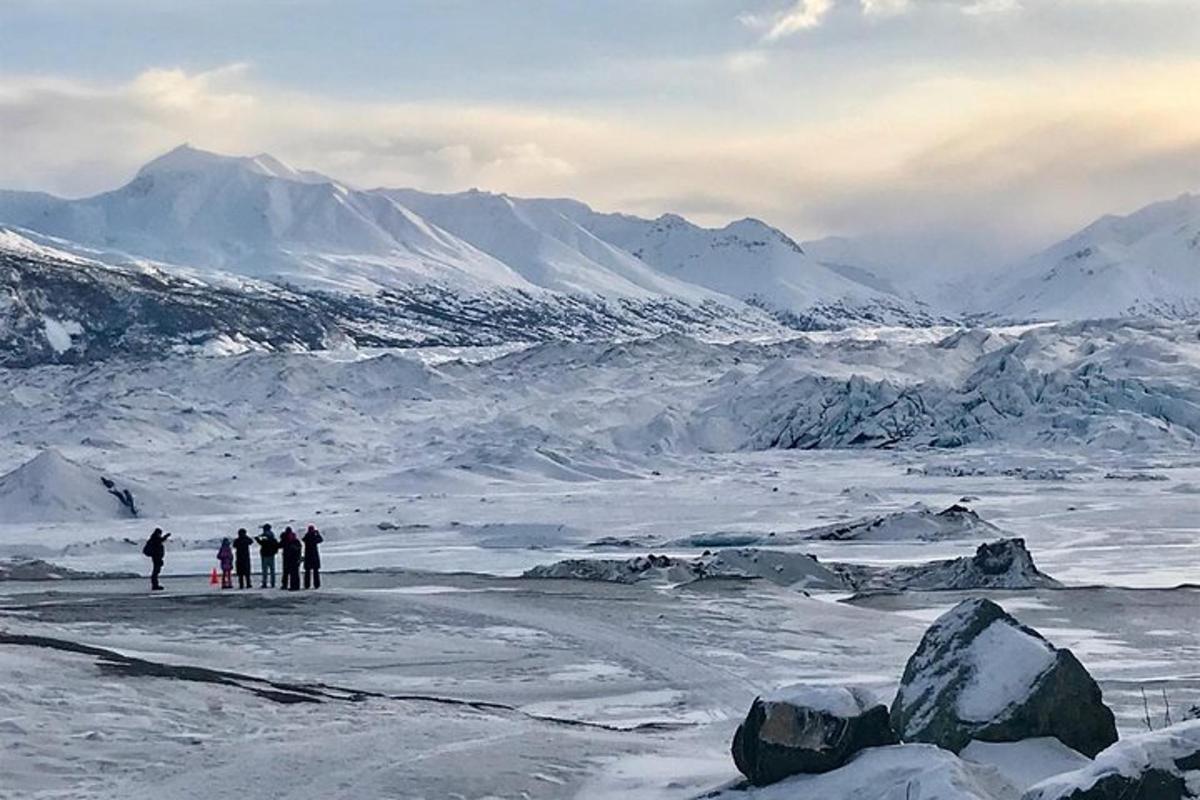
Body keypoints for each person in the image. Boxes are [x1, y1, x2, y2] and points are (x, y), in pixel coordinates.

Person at [255, 524, 280, 588]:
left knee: (265, 570)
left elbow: (260, 541)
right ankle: (273, 583)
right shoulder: (272, 536)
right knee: (272, 570)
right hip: (271, 554)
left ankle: (264, 583)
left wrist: (258, 539)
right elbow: (276, 544)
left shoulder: (265, 536)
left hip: (265, 554)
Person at [280, 527, 302, 592]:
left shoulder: (288, 541)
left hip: (291, 558)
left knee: (291, 573)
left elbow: (280, 545)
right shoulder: (292, 540)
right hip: (292, 558)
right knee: (293, 573)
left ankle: (292, 586)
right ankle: (294, 586)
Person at [302, 525, 324, 589]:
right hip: (314, 556)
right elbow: (320, 540)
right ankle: (316, 585)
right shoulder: (313, 537)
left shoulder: (307, 536)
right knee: (315, 572)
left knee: (307, 572)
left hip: (308, 556)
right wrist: (317, 534)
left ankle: (307, 585)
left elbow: (304, 539)